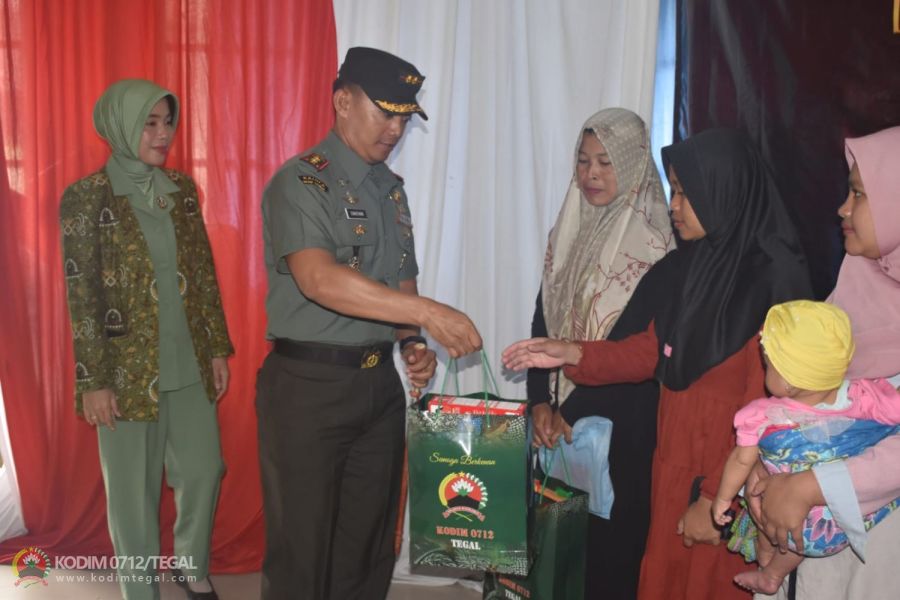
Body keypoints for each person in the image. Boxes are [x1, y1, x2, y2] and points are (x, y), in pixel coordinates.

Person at [503, 128, 812, 600]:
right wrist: (572, 352)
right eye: (675, 192)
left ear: (723, 193)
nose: (674, 206)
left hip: (728, 477)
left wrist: (714, 501)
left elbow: (771, 410)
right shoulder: (691, 267)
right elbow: (648, 350)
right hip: (670, 467)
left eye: (688, 194)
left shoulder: (774, 282)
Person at [257, 47, 482, 600]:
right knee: (302, 549)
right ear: (343, 102)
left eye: (406, 116)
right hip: (308, 387)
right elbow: (320, 280)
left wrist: (412, 343)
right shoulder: (301, 183)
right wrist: (427, 314)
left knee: (368, 545)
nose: (397, 127)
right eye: (386, 112)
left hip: (377, 388)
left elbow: (400, 283)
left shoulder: (391, 190)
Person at [60, 79, 232, 600]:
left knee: (205, 469)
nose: (163, 134)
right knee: (133, 495)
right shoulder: (86, 197)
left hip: (188, 361)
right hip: (124, 371)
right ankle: (141, 590)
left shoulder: (181, 190)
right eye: (150, 123)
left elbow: (202, 274)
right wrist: (93, 381)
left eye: (168, 121)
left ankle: (189, 564)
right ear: (120, 126)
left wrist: (218, 346)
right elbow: (81, 293)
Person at [748, 125, 900, 600]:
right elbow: (807, 392)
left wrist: (813, 486)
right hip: (803, 545)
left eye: (858, 194)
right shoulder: (853, 286)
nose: (842, 208)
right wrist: (767, 465)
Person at [528, 107, 674, 598]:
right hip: (560, 420)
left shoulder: (657, 250)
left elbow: (635, 354)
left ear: (632, 165)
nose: (590, 174)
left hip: (620, 427)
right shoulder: (568, 232)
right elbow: (543, 321)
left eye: (606, 163)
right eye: (584, 161)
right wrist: (541, 404)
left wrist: (572, 411)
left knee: (611, 556)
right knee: (559, 552)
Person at [711, 300, 900, 594]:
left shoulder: (760, 414)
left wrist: (722, 499)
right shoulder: (864, 395)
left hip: (800, 523)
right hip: (843, 520)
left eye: (768, 363)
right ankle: (773, 572)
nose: (764, 367)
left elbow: (740, 460)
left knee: (774, 509)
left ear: (787, 382)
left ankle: (769, 570)